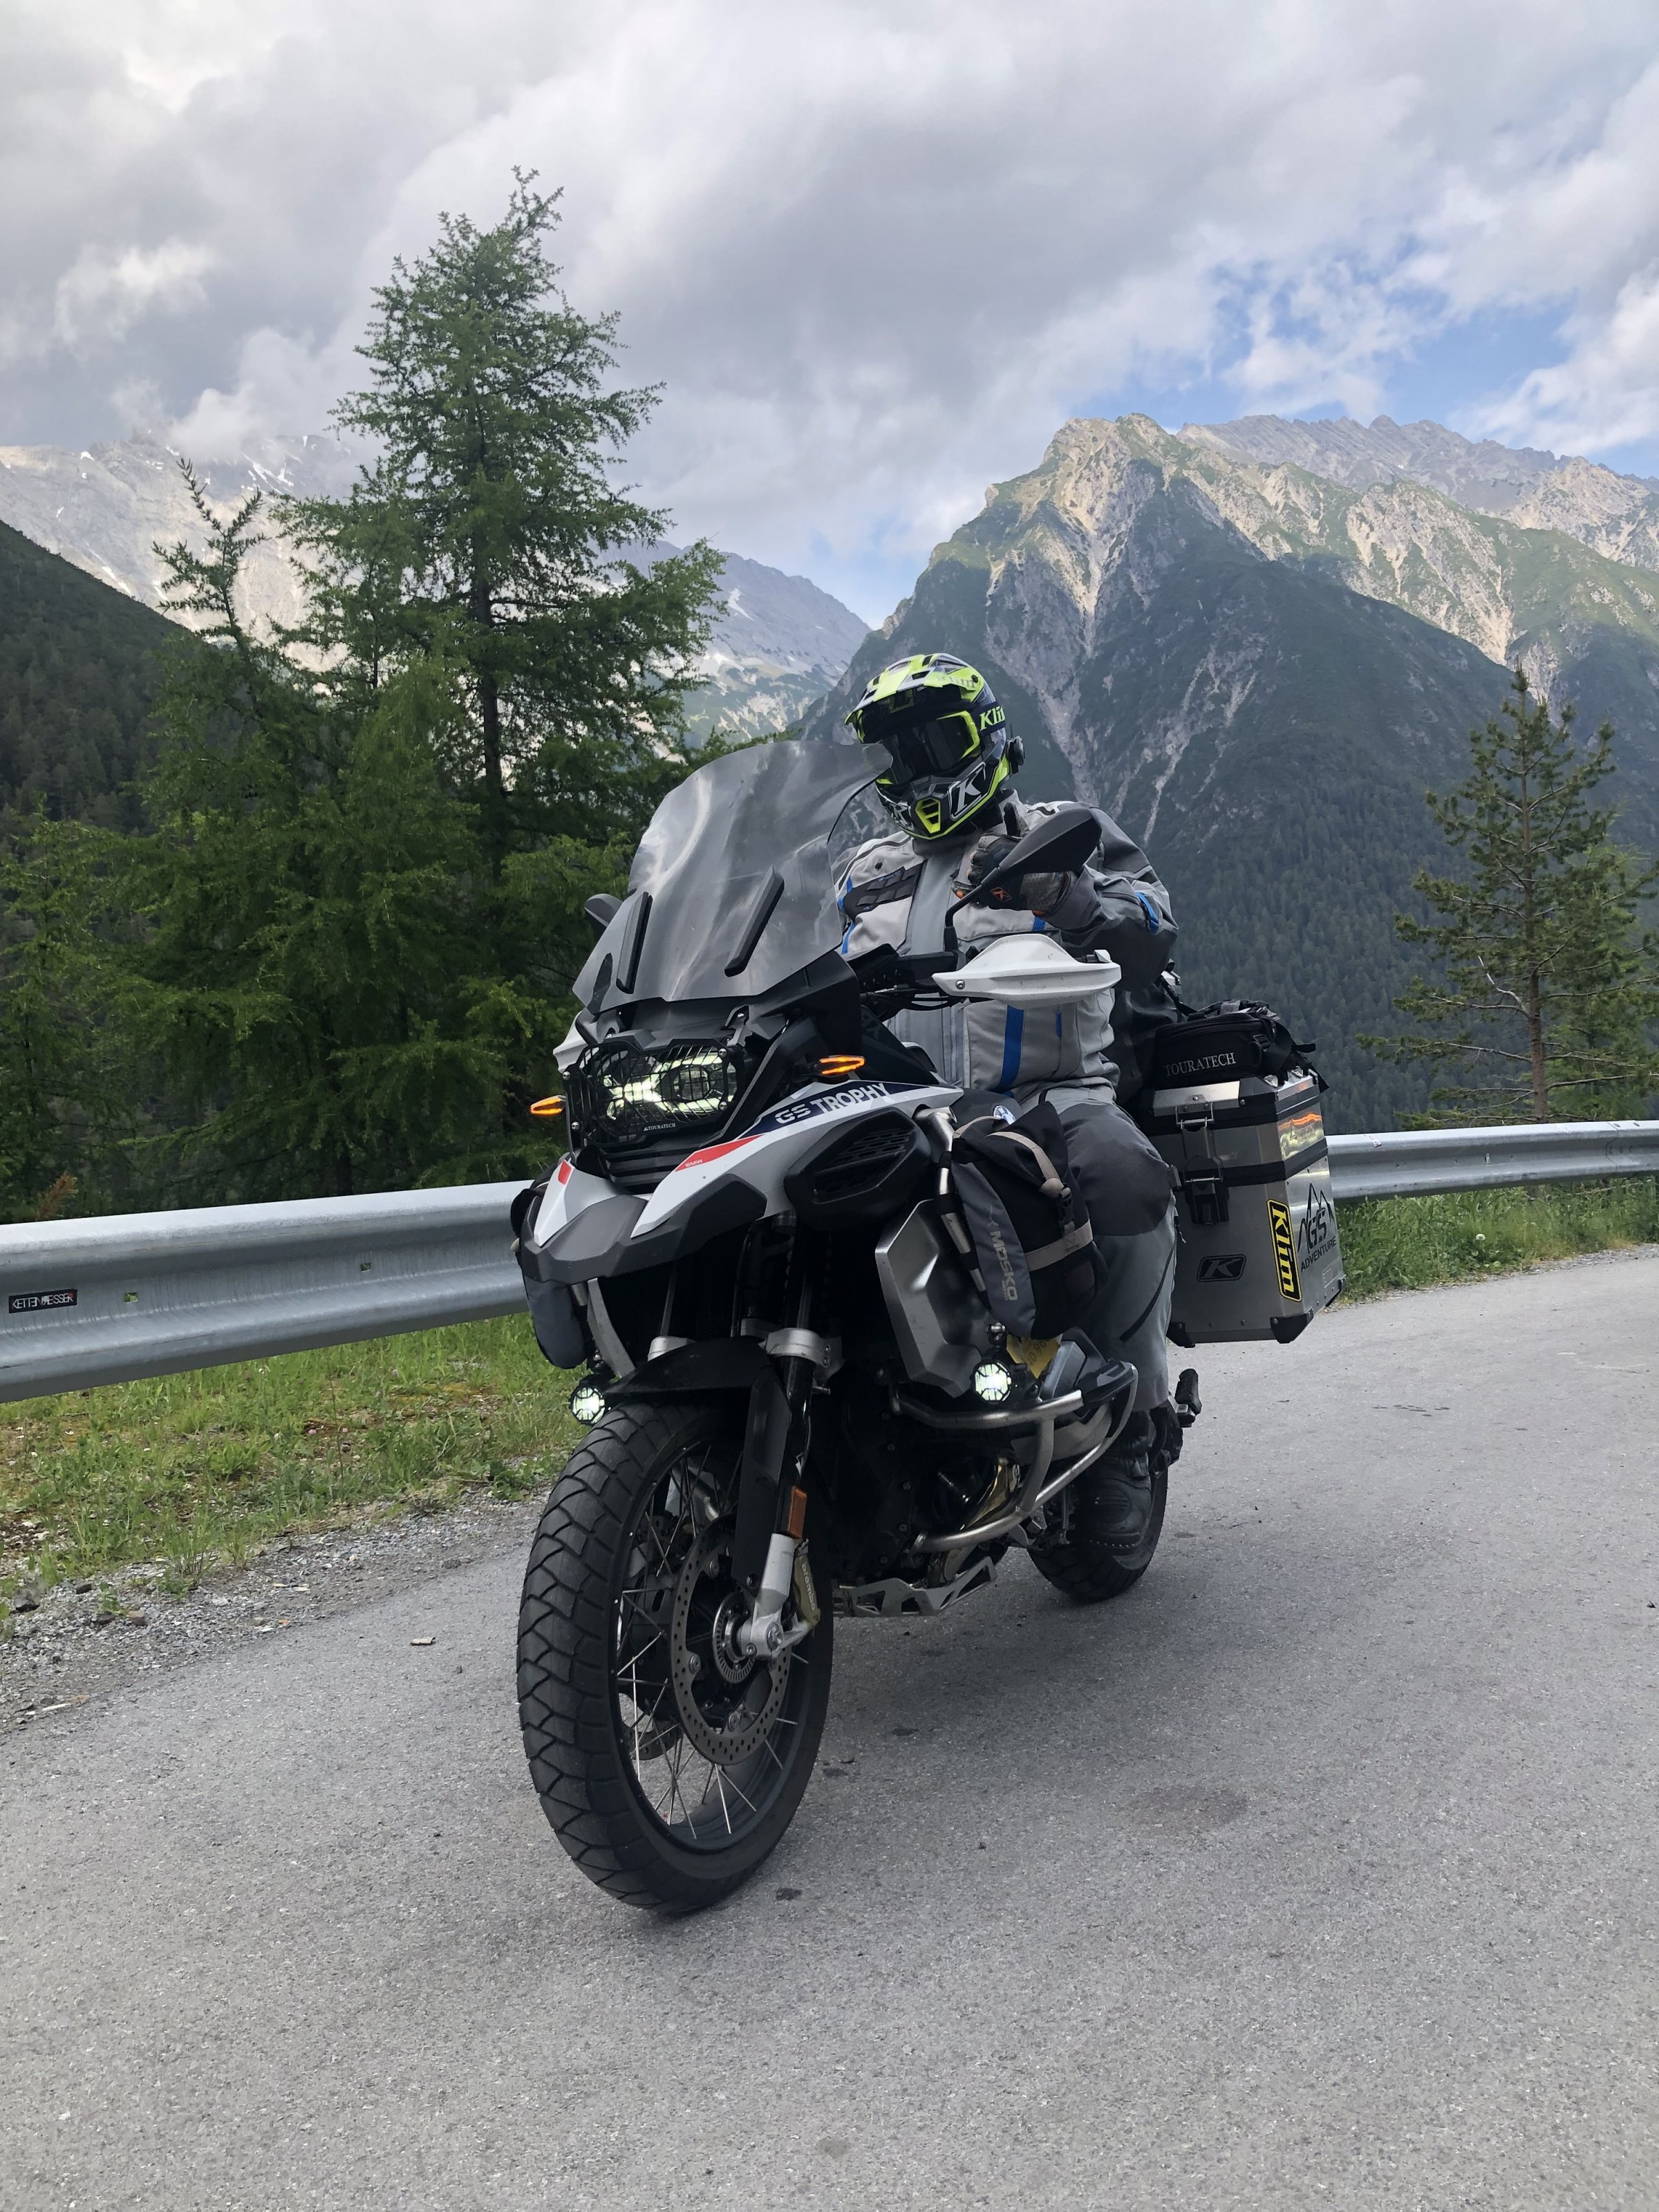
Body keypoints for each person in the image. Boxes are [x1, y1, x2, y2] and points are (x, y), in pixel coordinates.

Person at [840, 651, 1181, 1550]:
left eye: (936, 742)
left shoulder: (1068, 835)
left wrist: (1073, 901)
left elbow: (1154, 927)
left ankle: (1132, 1428)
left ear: (986, 738)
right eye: (896, 753)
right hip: (896, 1106)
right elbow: (785, 961)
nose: (918, 769)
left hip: (1049, 1097)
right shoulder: (865, 873)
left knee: (1124, 1181)